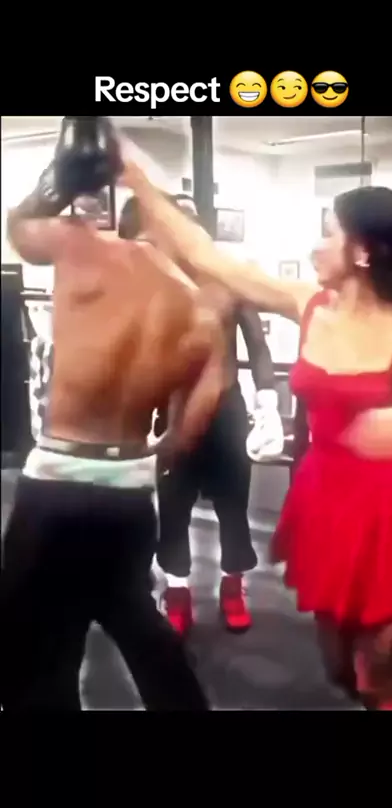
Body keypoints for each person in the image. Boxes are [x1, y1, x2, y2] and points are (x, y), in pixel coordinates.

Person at [120, 165, 392, 710]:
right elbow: (207, 255)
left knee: (379, 679)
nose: (315, 247)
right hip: (326, 501)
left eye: (328, 233)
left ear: (363, 253)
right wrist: (136, 180)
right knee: (340, 670)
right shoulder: (308, 304)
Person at [0, 118, 225, 711]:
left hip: (57, 485)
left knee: (34, 645)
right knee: (130, 613)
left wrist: (65, 174)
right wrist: (149, 459)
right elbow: (192, 422)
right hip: (129, 489)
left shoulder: (82, 246)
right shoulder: (205, 313)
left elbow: (18, 227)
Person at [118, 191, 284, 636]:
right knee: (173, 506)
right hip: (169, 407)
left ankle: (233, 588)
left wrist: (269, 402)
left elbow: (257, 344)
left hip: (226, 410)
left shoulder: (227, 279)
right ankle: (177, 593)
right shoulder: (151, 284)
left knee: (233, 505)